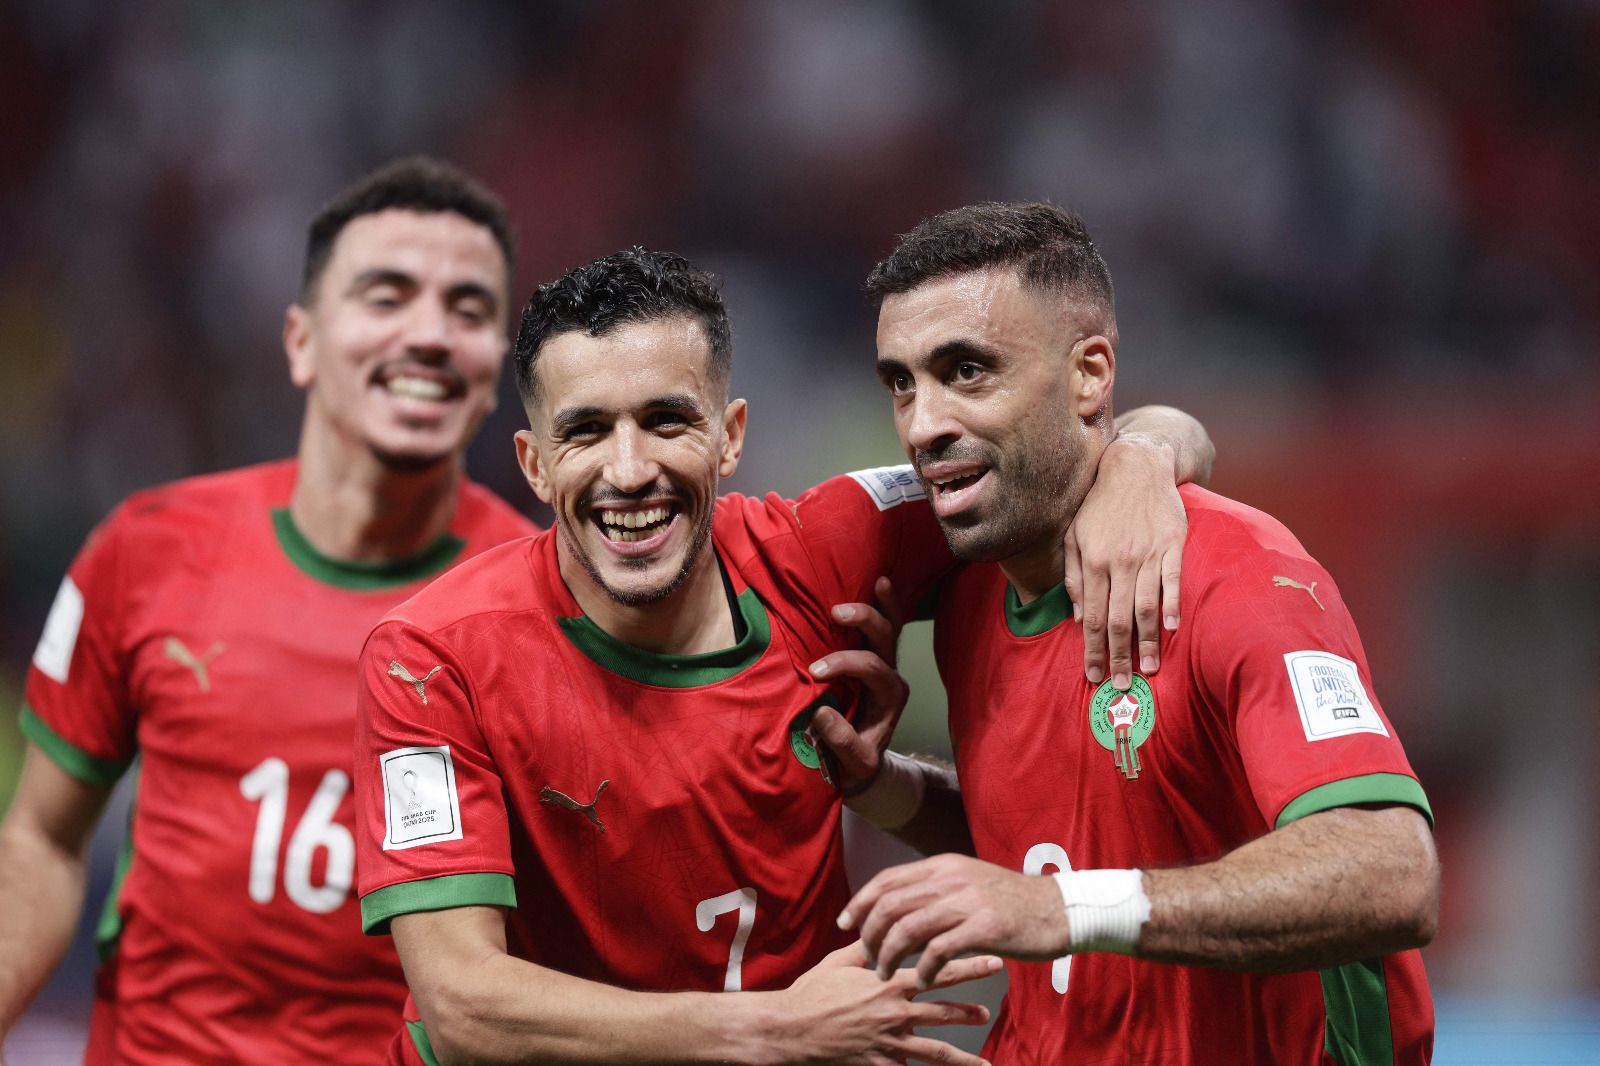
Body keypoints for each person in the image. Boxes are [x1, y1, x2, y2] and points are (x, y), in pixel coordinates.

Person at [351, 247, 1213, 1065]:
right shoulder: (429, 660)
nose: (629, 470)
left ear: (729, 436)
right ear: (536, 465)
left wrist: (1141, 457)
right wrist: (772, 1030)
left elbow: (1061, 454)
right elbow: (463, 1006)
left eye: (665, 421)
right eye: (586, 432)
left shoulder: (823, 553)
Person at [836, 202, 1440, 1064]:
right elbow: (1063, 854)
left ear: (1089, 375)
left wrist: (1065, 910)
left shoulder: (1241, 577)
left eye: (966, 371)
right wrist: (888, 788)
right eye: (902, 382)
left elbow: (1393, 873)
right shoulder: (972, 592)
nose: (923, 423)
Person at [0, 158, 537, 1064]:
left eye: (470, 311)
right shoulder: (146, 553)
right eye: (387, 296)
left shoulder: (543, 601)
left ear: (496, 377)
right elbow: (43, 842)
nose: (431, 335)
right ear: (300, 341)